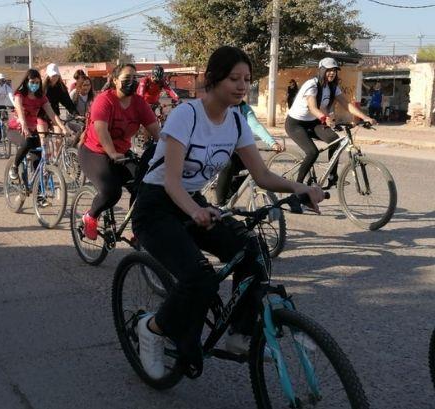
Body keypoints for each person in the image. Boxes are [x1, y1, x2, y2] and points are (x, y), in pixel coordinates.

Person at [131, 46, 325, 378]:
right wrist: (196, 211)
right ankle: (152, 329)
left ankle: (241, 332)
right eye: (234, 78)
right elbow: (172, 183)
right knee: (198, 277)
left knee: (252, 248)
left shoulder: (236, 121)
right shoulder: (186, 115)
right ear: (213, 79)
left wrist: (299, 188)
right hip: (156, 205)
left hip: (191, 203)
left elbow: (261, 175)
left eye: (247, 79)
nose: (241, 86)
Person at [78, 63, 160, 240]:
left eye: (134, 79)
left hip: (121, 154)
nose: (131, 82)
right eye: (126, 79)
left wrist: (173, 148)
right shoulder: (104, 100)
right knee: (111, 191)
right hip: (95, 151)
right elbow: (101, 130)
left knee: (143, 188)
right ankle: (90, 216)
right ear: (115, 81)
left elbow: (155, 130)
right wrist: (112, 153)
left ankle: (138, 229)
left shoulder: (139, 103)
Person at [286, 57, 376, 187]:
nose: (332, 73)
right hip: (295, 124)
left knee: (335, 141)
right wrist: (324, 118)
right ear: (321, 70)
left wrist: (365, 117)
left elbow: (346, 104)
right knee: (312, 152)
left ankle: (333, 177)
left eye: (334, 70)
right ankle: (297, 187)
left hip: (313, 122)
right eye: (328, 70)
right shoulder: (312, 85)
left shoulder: (333, 87)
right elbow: (312, 107)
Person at [213, 100, 283, 205]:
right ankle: (219, 204)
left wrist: (272, 143)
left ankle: (228, 194)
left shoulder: (243, 107)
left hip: (236, 149)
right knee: (228, 164)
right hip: (216, 147)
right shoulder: (219, 104)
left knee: (255, 167)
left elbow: (256, 126)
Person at [8, 68, 69, 180]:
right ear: (26, 82)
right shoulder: (20, 95)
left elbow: (52, 114)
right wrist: (24, 126)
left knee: (39, 157)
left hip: (31, 130)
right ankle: (15, 166)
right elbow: (20, 112)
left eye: (37, 82)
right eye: (32, 82)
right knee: (28, 142)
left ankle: (39, 193)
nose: (35, 85)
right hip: (16, 129)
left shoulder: (41, 97)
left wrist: (63, 128)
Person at [38, 63, 78, 135]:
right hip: (42, 115)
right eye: (53, 75)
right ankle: (43, 146)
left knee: (59, 135)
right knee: (43, 135)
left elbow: (67, 102)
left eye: (56, 75)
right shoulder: (42, 87)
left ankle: (56, 146)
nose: (55, 77)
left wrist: (75, 113)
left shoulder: (60, 87)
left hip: (54, 115)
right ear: (48, 76)